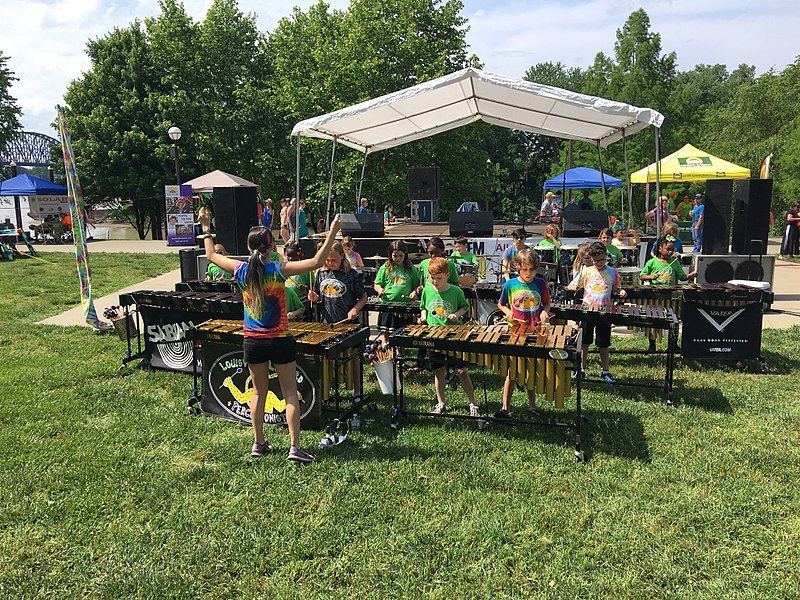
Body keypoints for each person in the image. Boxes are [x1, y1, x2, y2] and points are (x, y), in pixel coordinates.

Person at [198, 208, 342, 462]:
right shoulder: (278, 269)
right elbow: (317, 262)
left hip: (253, 341)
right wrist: (332, 233)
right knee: (289, 394)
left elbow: (210, 255)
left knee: (257, 393)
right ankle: (295, 448)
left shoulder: (241, 269)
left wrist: (206, 227)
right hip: (280, 340)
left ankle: (258, 443)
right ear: (270, 247)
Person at [418, 257, 479, 417]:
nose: (435, 281)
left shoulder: (456, 291)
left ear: (447, 275)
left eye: (439, 278)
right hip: (434, 335)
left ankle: (473, 402)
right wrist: (423, 316)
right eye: (432, 278)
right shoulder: (427, 290)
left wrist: (456, 314)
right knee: (439, 371)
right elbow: (423, 306)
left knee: (462, 371)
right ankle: (441, 402)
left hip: (454, 335)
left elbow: (465, 307)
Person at [308, 241, 367, 400]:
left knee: (353, 358)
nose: (330, 263)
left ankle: (357, 392)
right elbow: (320, 297)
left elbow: (363, 297)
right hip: (327, 324)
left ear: (342, 255)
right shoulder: (320, 273)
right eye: (327, 260)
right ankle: (325, 394)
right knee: (327, 360)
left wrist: (355, 309)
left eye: (334, 259)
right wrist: (314, 297)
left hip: (347, 324)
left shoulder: (352, 274)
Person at [495, 248, 551, 419]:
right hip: (515, 331)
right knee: (512, 372)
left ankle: (532, 406)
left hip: (536, 330)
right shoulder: (510, 285)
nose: (529, 273)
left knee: (532, 370)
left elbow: (547, 304)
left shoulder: (540, 284)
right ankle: (505, 407)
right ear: (518, 267)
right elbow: (501, 304)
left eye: (532, 270)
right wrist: (507, 312)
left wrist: (544, 312)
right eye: (525, 269)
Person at [566, 241, 622, 383]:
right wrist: (571, 287)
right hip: (587, 311)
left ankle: (605, 371)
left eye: (602, 259)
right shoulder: (586, 271)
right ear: (591, 258)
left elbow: (616, 287)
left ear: (606, 256)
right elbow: (575, 284)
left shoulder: (612, 272)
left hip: (604, 312)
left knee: (604, 344)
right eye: (596, 260)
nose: (599, 263)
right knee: (584, 342)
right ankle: (581, 369)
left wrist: (620, 291)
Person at [373, 240, 421, 330]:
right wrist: (380, 290)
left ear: (405, 255)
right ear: (390, 255)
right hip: (387, 304)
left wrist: (414, 292)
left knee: (405, 334)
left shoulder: (411, 268)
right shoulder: (385, 268)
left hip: (405, 305)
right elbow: (377, 284)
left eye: (400, 256)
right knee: (386, 333)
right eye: (395, 256)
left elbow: (416, 285)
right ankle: (384, 344)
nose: (398, 258)